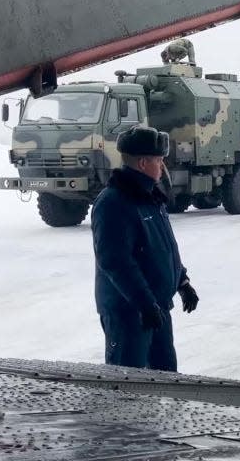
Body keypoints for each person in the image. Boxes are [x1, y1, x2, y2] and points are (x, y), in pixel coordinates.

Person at [91, 125, 199, 371]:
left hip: (155, 309)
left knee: (166, 381)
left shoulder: (151, 197)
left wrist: (182, 282)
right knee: (129, 386)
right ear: (142, 163)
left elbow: (164, 248)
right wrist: (144, 303)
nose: (162, 167)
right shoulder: (113, 203)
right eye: (159, 161)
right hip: (130, 314)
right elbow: (115, 262)